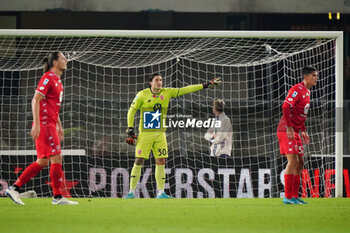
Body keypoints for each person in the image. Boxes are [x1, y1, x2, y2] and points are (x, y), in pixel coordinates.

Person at [124, 73, 221, 199]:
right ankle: (131, 192)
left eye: (161, 80)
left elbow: (186, 89)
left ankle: (160, 193)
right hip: (145, 134)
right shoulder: (142, 94)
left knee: (161, 161)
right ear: (151, 82)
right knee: (139, 160)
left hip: (160, 134)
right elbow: (131, 111)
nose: (160, 82)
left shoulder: (167, 92)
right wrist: (130, 129)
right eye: (157, 80)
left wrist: (206, 85)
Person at [5, 52, 78, 205]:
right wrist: (37, 123)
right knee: (57, 157)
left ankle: (14, 188)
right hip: (44, 124)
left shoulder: (58, 80)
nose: (66, 60)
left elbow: (52, 106)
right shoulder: (47, 78)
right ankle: (57, 197)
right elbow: (35, 100)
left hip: (51, 124)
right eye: (63, 58)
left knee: (43, 161)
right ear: (55, 62)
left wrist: (59, 124)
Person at [277, 66, 318, 204]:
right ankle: (287, 197)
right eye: (313, 75)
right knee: (293, 161)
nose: (316, 78)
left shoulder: (307, 91)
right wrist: (289, 128)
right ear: (306, 77)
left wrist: (303, 129)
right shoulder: (297, 89)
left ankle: (294, 196)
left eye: (316, 75)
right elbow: (285, 106)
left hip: (296, 129)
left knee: (300, 163)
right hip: (286, 129)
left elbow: (300, 113)